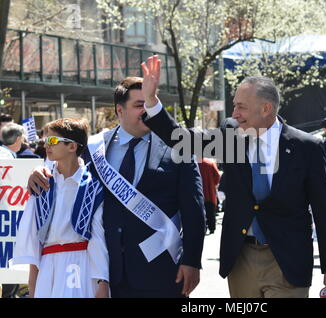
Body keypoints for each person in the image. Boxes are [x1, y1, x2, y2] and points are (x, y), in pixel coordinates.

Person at [140, 56, 326, 298]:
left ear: (266, 108)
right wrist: (151, 101)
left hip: (288, 260)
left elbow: (323, 208)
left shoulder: (305, 147)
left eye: (241, 107)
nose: (234, 113)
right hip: (241, 260)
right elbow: (184, 142)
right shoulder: (232, 137)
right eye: (234, 105)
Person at [28, 77, 206, 298]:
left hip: (161, 270)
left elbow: (194, 209)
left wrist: (192, 261)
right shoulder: (94, 148)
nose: (148, 110)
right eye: (140, 105)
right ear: (120, 111)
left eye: (151, 103)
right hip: (107, 272)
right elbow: (64, 170)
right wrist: (38, 171)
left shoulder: (177, 147)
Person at [12, 118, 109, 298]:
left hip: (81, 265)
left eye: (53, 141)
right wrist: (33, 287)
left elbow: (98, 238)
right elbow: (35, 240)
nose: (47, 145)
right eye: (46, 140)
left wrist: (102, 281)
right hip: (48, 266)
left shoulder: (92, 186)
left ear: (72, 147)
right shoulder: (41, 184)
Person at [198, 158, 221, 234]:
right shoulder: (211, 163)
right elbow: (217, 177)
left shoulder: (194, 163)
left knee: (200, 213)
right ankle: (212, 228)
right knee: (211, 212)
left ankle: (203, 228)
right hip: (210, 193)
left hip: (199, 194)